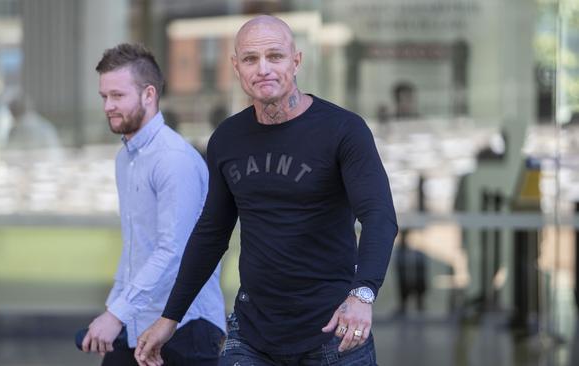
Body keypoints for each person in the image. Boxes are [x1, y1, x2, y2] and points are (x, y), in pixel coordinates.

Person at [136, 15, 397, 366]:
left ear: (296, 61)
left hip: (334, 332)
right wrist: (171, 317)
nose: (263, 69)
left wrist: (363, 294)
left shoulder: (343, 131)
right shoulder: (227, 140)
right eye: (250, 59)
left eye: (275, 56)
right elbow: (211, 233)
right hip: (252, 335)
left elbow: (379, 217)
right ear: (236, 66)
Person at [81, 43, 226, 366]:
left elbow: (173, 251)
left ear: (149, 95)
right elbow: (136, 248)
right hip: (139, 322)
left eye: (118, 96)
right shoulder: (127, 158)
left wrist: (116, 315)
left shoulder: (173, 160)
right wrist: (114, 310)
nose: (107, 106)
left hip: (188, 327)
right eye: (104, 96)